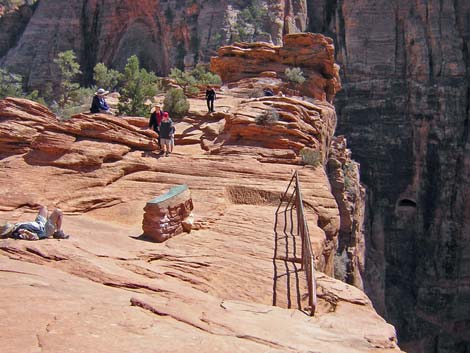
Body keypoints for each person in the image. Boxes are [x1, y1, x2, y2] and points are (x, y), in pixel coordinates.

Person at [0, 206, 69, 241]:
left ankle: (52, 224)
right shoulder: (18, 233)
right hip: (44, 231)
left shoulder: (16, 227)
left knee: (43, 208)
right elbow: (34, 237)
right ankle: (58, 232)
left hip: (39, 224)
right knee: (58, 211)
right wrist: (26, 232)